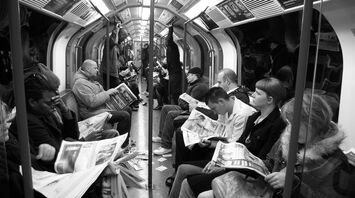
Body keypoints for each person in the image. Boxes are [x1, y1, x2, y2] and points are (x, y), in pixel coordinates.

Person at [212, 92, 349, 198]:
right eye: (289, 123)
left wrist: (294, 184)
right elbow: (270, 162)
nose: (290, 128)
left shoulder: (336, 161)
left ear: (314, 124)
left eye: (296, 124)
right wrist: (252, 163)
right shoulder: (288, 139)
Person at [171, 77, 286, 198]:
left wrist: (223, 166)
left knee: (188, 183)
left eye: (258, 93)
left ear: (269, 99)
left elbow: (260, 160)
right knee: (185, 166)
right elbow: (240, 144)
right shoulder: (255, 117)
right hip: (233, 164)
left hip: (244, 173)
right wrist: (218, 161)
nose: (253, 95)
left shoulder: (276, 124)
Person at [72, 59, 131, 147]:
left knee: (128, 109)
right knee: (124, 115)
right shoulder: (80, 84)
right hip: (92, 114)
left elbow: (100, 96)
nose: (97, 70)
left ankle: (125, 141)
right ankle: (122, 145)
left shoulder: (89, 80)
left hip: (100, 109)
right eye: (95, 68)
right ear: (88, 69)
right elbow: (92, 102)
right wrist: (107, 93)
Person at [153, 67, 209, 155]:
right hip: (186, 108)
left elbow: (189, 105)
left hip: (193, 112)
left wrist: (180, 101)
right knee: (165, 108)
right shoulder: (194, 84)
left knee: (171, 114)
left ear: (195, 76)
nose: (187, 77)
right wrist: (181, 101)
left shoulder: (200, 87)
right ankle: (161, 136)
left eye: (189, 75)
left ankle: (166, 146)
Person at [166, 26, 183, 104]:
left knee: (175, 90)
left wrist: (170, 29)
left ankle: (176, 105)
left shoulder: (173, 46)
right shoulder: (168, 48)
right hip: (172, 71)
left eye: (166, 40)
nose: (165, 42)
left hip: (175, 71)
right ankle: (172, 102)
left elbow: (169, 40)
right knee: (172, 89)